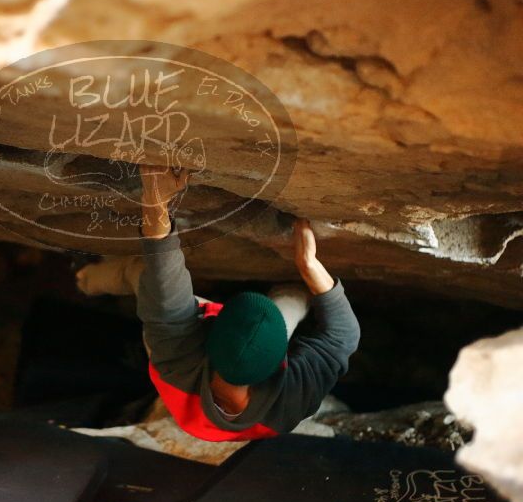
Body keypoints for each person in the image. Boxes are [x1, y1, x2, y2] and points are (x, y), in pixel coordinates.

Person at [75, 163, 361, 441]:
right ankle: (289, 293)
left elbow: (162, 272)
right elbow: (344, 335)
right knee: (296, 295)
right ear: (280, 360)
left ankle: (85, 279)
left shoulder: (177, 356)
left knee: (141, 274)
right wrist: (308, 264)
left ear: (210, 324)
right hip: (257, 406)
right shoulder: (293, 397)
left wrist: (155, 200)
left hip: (188, 386)